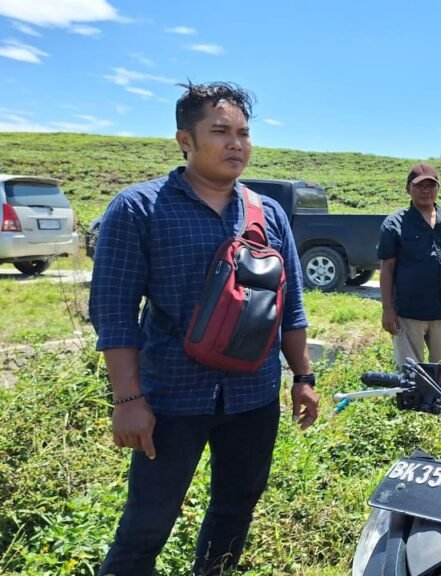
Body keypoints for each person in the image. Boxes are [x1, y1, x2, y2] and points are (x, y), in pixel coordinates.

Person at [90, 82, 318, 575]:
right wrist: (128, 400)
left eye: (243, 133)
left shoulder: (268, 213)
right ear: (184, 140)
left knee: (236, 508)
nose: (236, 143)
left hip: (253, 396)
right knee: (146, 523)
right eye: (220, 131)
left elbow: (291, 307)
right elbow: (114, 311)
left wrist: (303, 376)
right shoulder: (139, 208)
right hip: (172, 398)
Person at [378, 163, 441, 383]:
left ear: (438, 188)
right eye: (420, 186)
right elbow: (387, 268)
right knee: (410, 376)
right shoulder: (394, 224)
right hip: (408, 312)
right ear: (408, 189)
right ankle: (414, 404)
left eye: (431, 185)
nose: (426, 190)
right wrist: (387, 309)